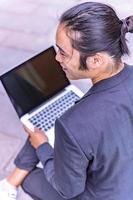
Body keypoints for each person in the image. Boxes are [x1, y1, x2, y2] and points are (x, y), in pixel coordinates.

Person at [0, 2, 133, 200]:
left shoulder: (72, 124)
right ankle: (11, 181)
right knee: (42, 133)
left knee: (29, 177)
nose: (57, 59)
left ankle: (12, 181)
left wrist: (43, 147)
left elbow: (68, 189)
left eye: (63, 53)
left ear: (95, 60)